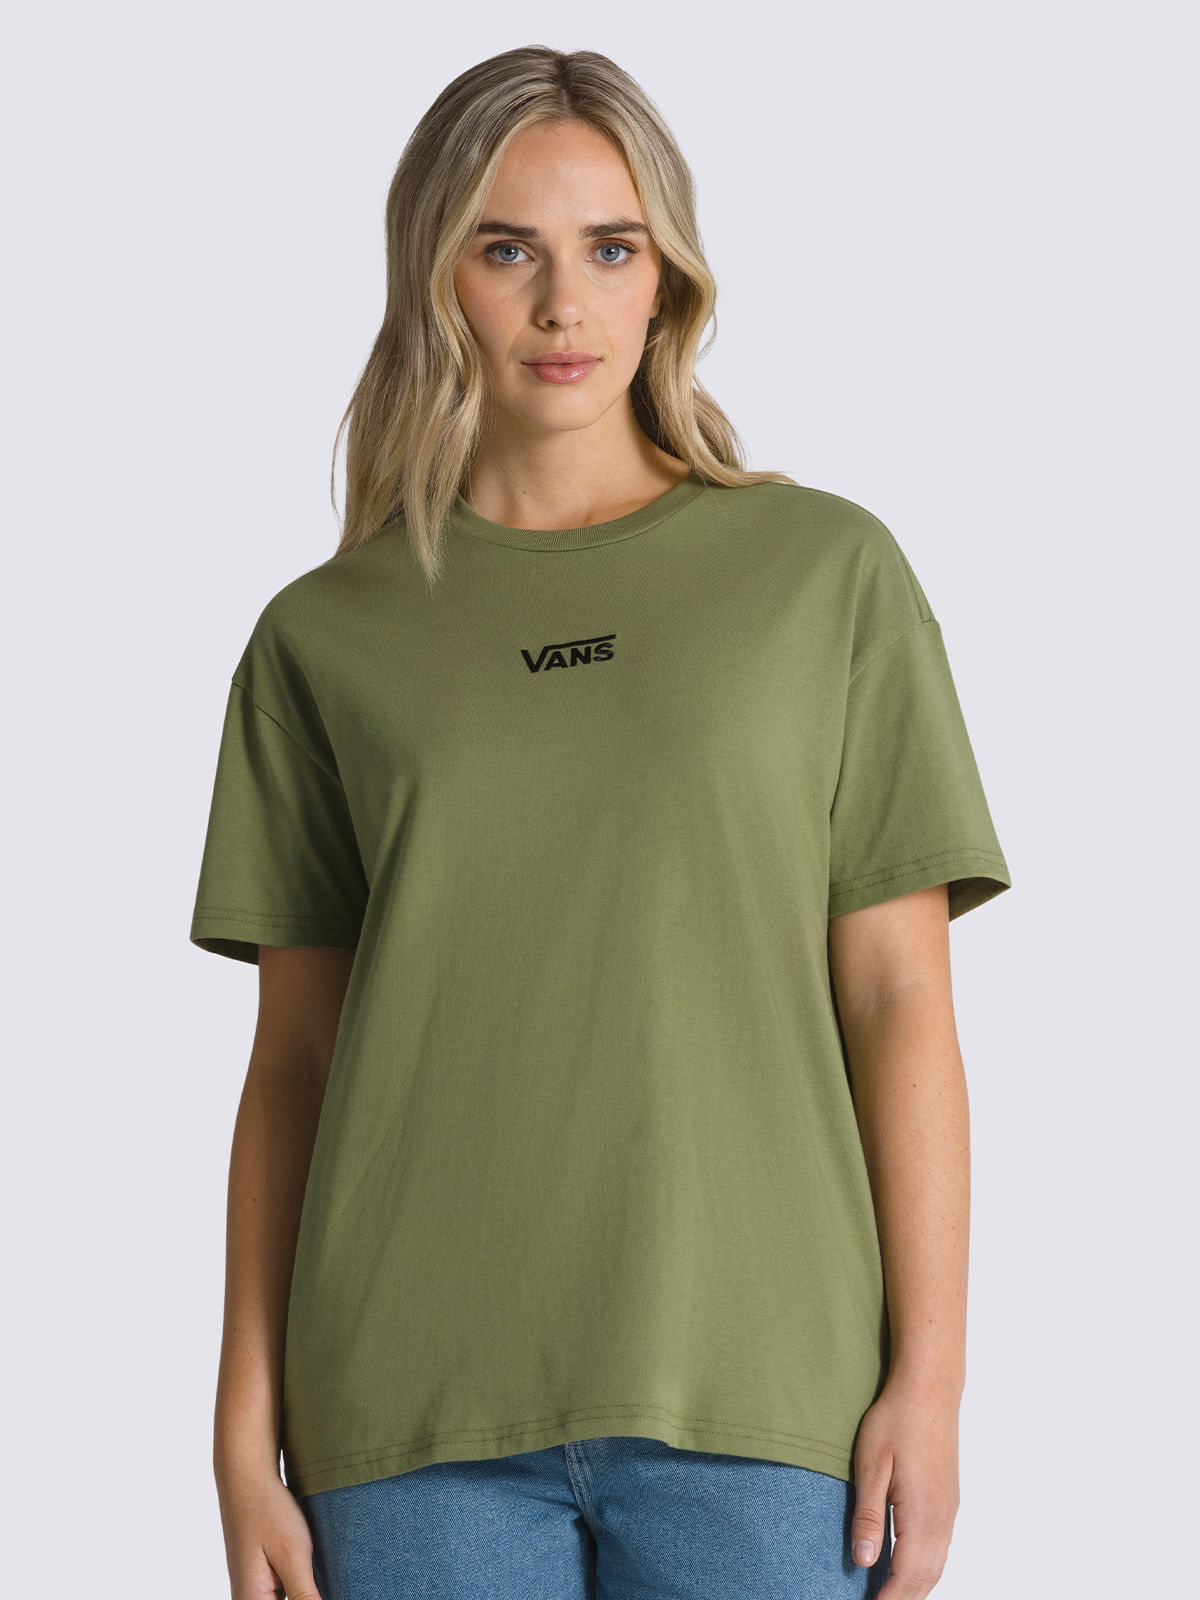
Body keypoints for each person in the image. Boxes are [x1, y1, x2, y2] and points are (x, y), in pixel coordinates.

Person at [190, 45, 1012, 1600]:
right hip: (404, 1415)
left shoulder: (822, 575)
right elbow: (292, 1063)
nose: (564, 304)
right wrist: (241, 1435)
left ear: (668, 279)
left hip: (766, 1398)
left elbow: (901, 999)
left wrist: (935, 1376)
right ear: (435, 278)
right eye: (507, 250)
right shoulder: (326, 636)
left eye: (611, 249)